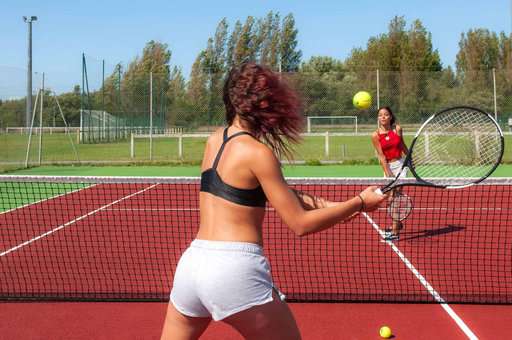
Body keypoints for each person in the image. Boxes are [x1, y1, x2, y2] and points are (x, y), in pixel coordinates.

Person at [160, 62, 387, 340]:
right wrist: (360, 203)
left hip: (191, 266)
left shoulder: (214, 140)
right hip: (234, 270)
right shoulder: (258, 153)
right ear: (264, 103)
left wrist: (338, 207)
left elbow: (271, 194)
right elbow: (300, 224)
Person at [371, 106, 409, 241]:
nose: (383, 117)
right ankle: (397, 223)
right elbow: (381, 156)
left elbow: (403, 146)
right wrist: (387, 172)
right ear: (378, 118)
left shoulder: (397, 129)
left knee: (395, 198)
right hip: (388, 166)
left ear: (390, 117)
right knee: (389, 197)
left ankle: (395, 232)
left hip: (400, 164)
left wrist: (409, 160)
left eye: (386, 115)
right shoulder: (375, 135)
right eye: (380, 115)